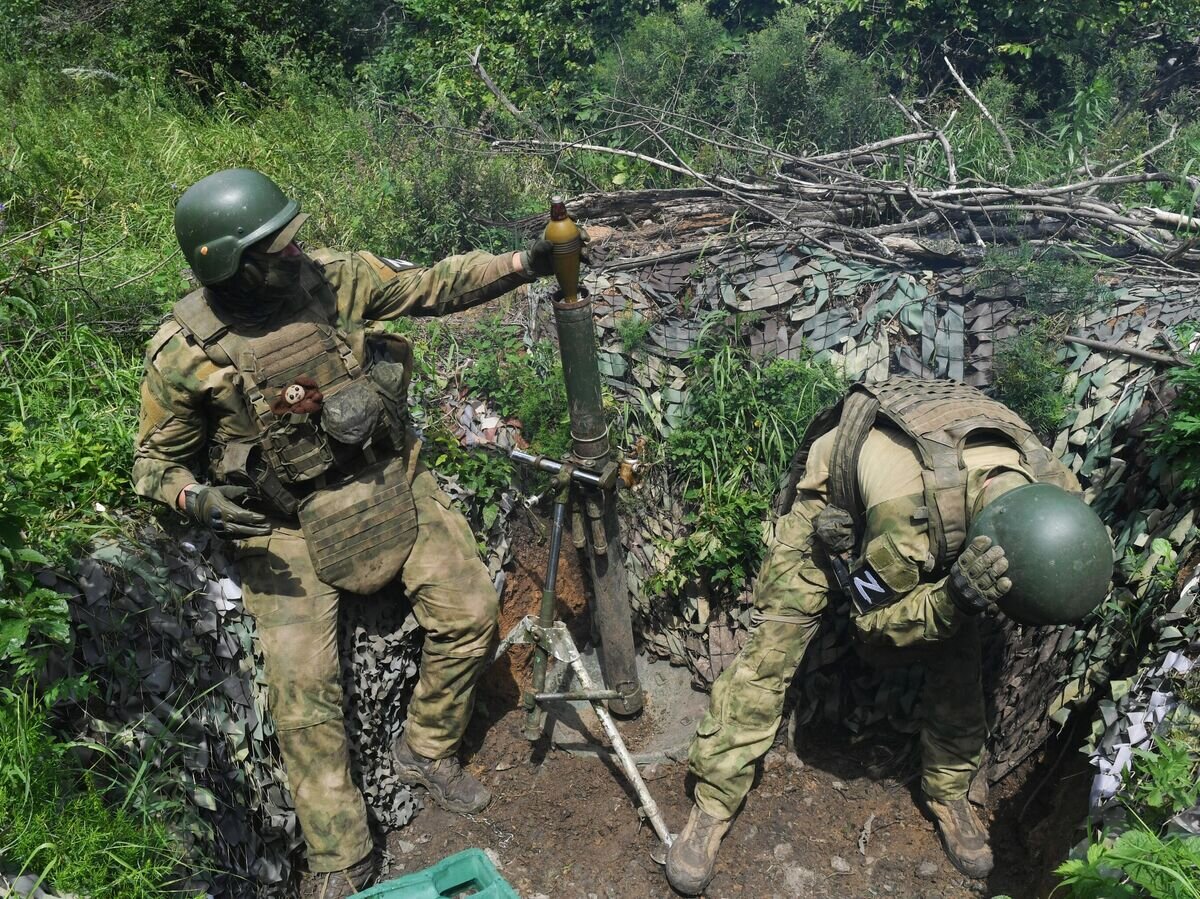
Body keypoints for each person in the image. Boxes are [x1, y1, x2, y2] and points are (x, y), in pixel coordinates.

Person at [133, 168, 559, 896]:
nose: (298, 253)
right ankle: (341, 857)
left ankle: (425, 748)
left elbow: (436, 285)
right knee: (304, 694)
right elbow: (151, 463)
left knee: (470, 612)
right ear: (232, 264)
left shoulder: (334, 279)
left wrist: (527, 263)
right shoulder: (185, 353)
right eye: (277, 248)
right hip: (283, 524)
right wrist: (197, 500)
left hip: (388, 476)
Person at [665, 377, 1113, 895]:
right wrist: (954, 598)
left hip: (926, 489)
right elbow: (870, 621)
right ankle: (713, 802)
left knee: (958, 650)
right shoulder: (909, 528)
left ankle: (949, 792)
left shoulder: (1058, 494)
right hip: (837, 498)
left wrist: (959, 604)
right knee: (772, 649)